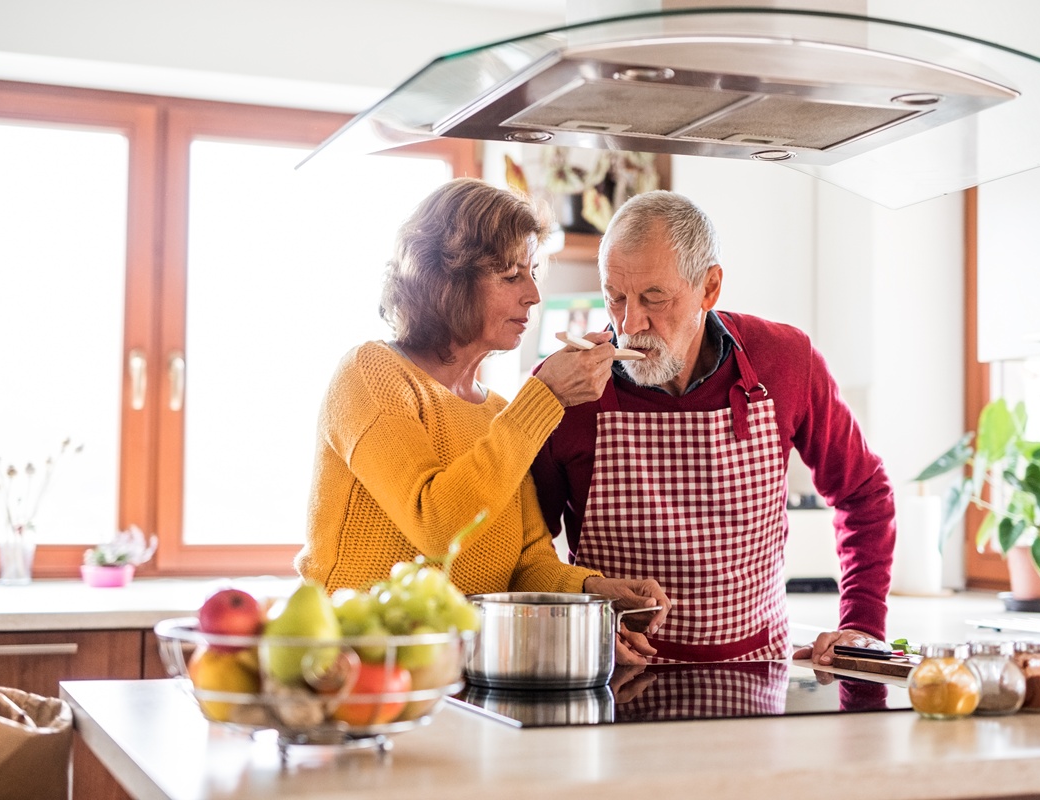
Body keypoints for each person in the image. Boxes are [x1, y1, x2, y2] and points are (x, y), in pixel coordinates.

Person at [296, 177, 670, 663]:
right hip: (351, 671)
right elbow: (438, 525)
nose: (534, 294)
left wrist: (598, 593)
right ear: (445, 281)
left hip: (460, 673)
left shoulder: (498, 412)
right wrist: (546, 397)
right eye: (511, 275)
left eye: (532, 271)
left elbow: (529, 563)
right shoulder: (371, 375)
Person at [531, 190, 895, 666]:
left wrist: (863, 624)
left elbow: (865, 493)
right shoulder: (564, 389)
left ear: (709, 288)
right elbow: (528, 550)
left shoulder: (785, 359)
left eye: (653, 298)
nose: (628, 323)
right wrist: (579, 622)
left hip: (756, 676)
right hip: (612, 682)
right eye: (614, 297)